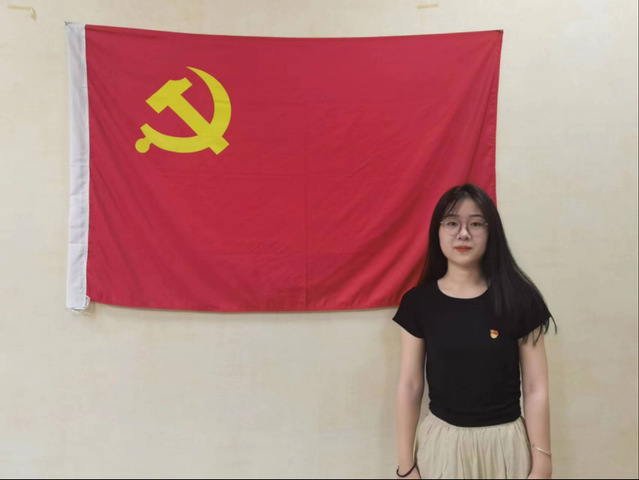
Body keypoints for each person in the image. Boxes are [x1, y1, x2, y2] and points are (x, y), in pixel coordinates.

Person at [393, 183, 557, 479]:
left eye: (476, 224)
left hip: (506, 445)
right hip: (442, 446)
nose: (464, 233)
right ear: (437, 231)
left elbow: (536, 388)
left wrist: (542, 462)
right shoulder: (418, 303)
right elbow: (410, 385)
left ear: (491, 231)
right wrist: (406, 466)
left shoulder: (520, 299)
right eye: (452, 223)